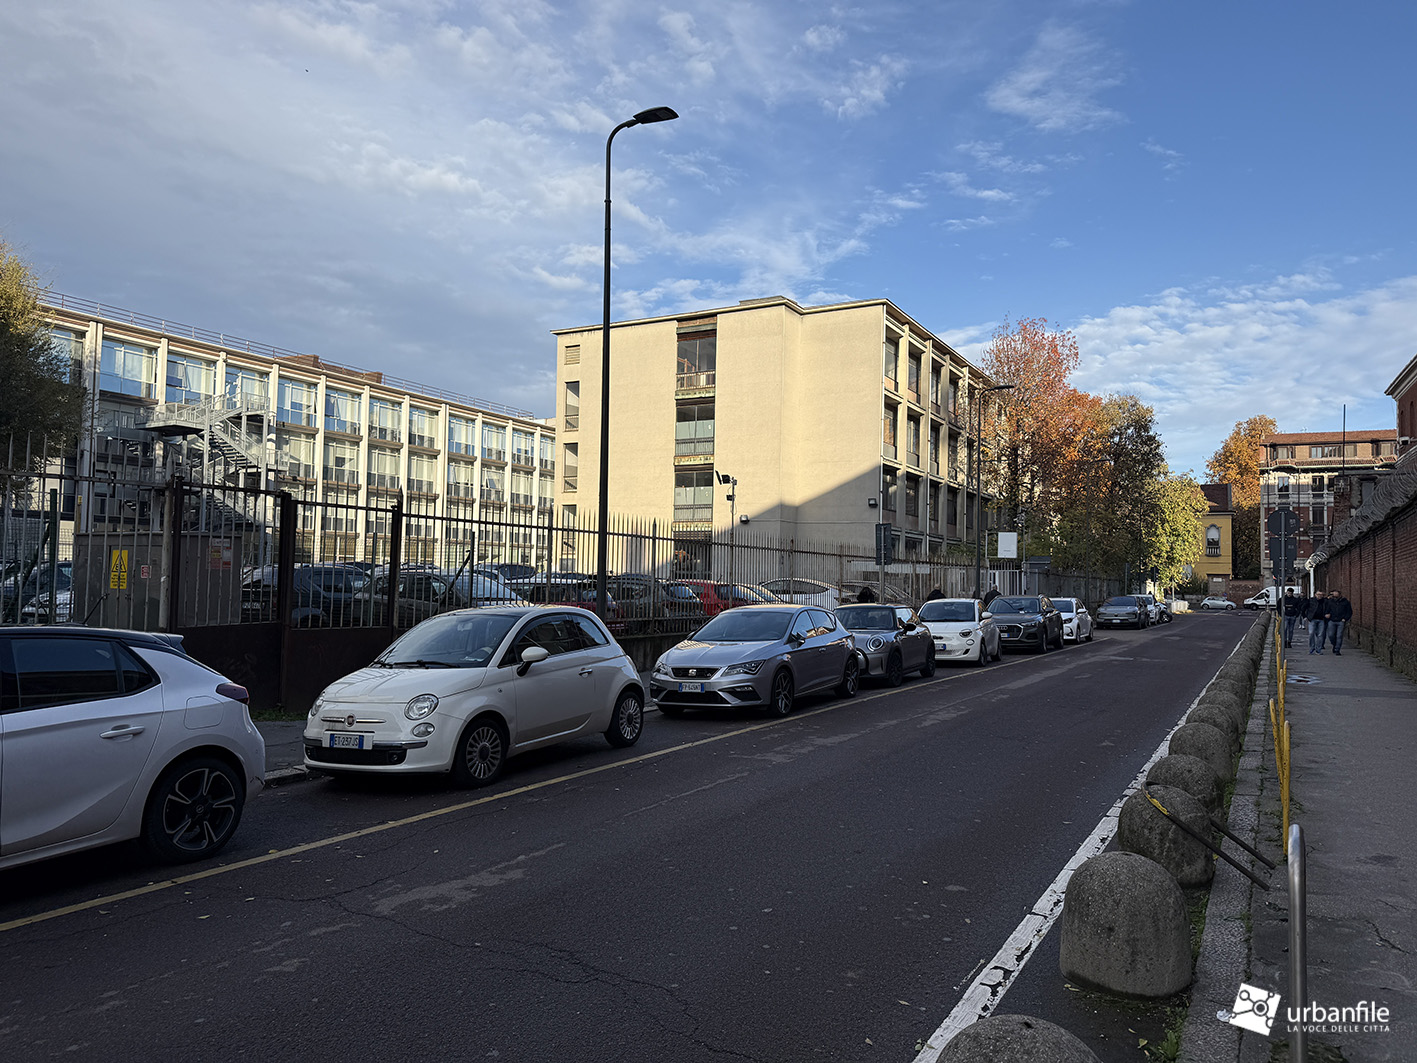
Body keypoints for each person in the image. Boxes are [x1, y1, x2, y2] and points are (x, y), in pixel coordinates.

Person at [1325, 589, 1353, 655]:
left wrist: (1345, 618)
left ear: (1339, 594)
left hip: (1341, 621)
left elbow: (1349, 611)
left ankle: (1337, 649)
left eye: (1336, 593)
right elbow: (1326, 609)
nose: (1335, 595)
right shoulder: (1330, 602)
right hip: (1332, 620)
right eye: (1334, 594)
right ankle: (1334, 644)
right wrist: (1326, 614)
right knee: (1331, 635)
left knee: (1339, 635)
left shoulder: (1345, 602)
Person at [1307, 591, 1328, 655]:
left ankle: (1318, 649)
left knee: (1320, 635)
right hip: (1312, 619)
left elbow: (1328, 608)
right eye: (1318, 594)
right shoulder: (1311, 601)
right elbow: (1305, 607)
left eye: (1321, 594)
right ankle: (1312, 648)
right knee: (1311, 633)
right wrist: (1306, 616)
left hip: (1321, 619)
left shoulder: (1325, 601)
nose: (1319, 596)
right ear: (1315, 595)